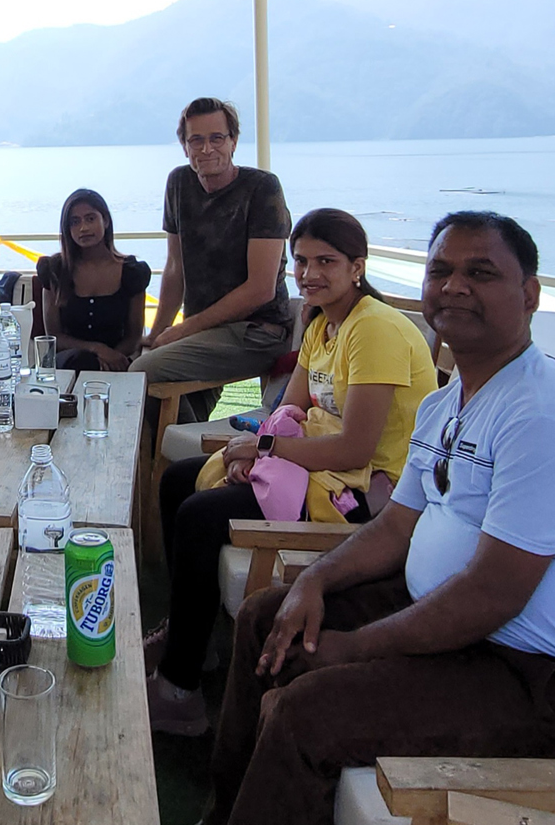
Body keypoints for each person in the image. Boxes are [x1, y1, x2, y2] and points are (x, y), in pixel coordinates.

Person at [206, 211, 555, 825]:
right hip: (439, 612)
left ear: (528, 294)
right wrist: (314, 580)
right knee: (268, 614)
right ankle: (227, 807)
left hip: (519, 667)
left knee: (307, 709)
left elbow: (494, 591)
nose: (453, 286)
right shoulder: (446, 404)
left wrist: (356, 648)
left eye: (480, 272)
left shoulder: (537, 413)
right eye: (440, 270)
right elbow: (397, 525)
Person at [146, 208, 437, 736]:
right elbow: (289, 406)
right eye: (300, 261)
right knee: (176, 480)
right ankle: (196, 642)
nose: (309, 273)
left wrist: (262, 448)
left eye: (326, 261)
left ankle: (180, 690)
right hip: (315, 471)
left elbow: (355, 447)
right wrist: (252, 447)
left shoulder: (373, 329)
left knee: (199, 514)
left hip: (361, 495)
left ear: (357, 266)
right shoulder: (324, 323)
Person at [130, 98, 293, 421]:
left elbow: (261, 289)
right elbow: (175, 268)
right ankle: (180, 461)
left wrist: (180, 331)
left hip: (257, 331)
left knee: (143, 372)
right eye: (196, 140)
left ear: (233, 142)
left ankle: (182, 459)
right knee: (147, 378)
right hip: (204, 332)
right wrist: (157, 332)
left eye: (216, 138)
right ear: (184, 146)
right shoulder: (179, 184)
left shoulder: (262, 189)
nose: (206, 149)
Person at [37, 189, 150, 373]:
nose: (84, 228)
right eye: (75, 222)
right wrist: (97, 350)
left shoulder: (132, 272)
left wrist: (110, 359)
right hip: (67, 364)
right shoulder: (55, 270)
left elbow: (134, 336)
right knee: (82, 360)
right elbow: (54, 336)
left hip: (116, 362)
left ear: (105, 221)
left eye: (90, 219)